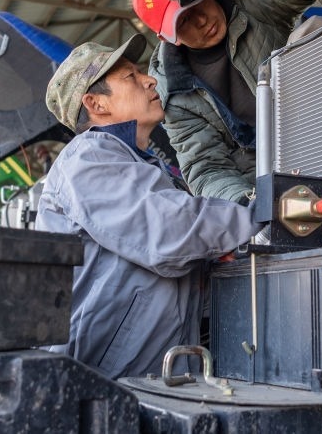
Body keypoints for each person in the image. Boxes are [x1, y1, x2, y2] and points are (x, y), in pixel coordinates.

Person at [35, 37, 260, 379]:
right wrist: (259, 214)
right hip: (104, 380)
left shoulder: (142, 166)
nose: (150, 80)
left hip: (158, 373)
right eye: (131, 76)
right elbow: (170, 232)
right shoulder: (87, 159)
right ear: (95, 103)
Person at [133, 0, 322, 203]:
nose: (201, 20)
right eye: (184, 21)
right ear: (167, 37)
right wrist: (253, 205)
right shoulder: (172, 92)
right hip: (280, 182)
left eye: (196, 2)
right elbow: (206, 169)